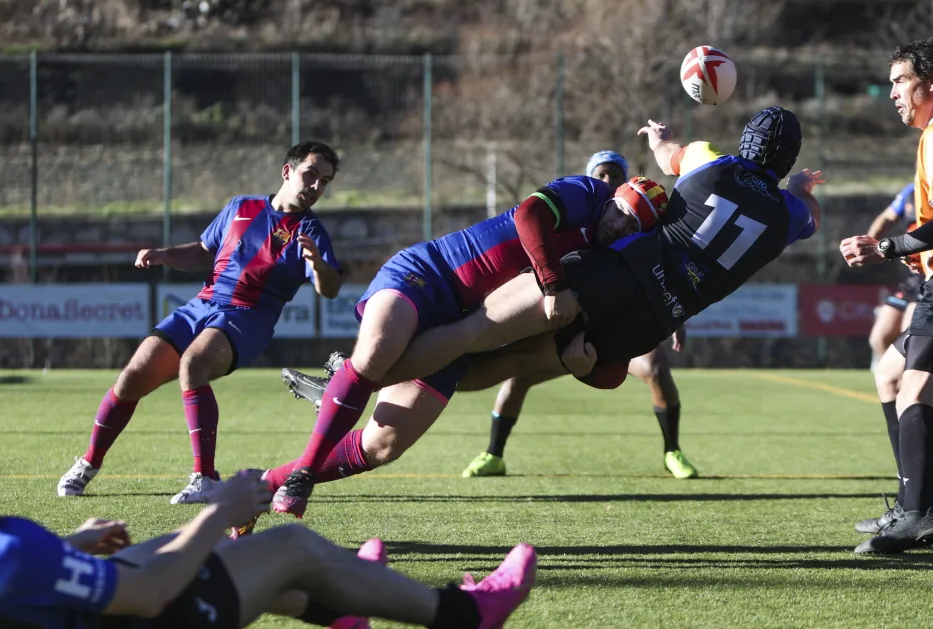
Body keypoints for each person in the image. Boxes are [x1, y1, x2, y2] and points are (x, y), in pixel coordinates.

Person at [266, 107, 820, 520]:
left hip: (610, 281)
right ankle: (350, 388)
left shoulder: (710, 165)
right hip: (651, 317)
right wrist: (797, 188)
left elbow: (671, 158)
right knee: (503, 359)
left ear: (746, 140)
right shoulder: (789, 215)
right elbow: (809, 214)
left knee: (474, 338)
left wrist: (663, 139)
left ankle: (350, 383)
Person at [0, 390, 538, 629]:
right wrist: (220, 509)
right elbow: (146, 595)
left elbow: (0, 578)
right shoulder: (7, 554)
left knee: (188, 548)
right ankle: (467, 617)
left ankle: (344, 607)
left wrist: (71, 547)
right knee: (287, 550)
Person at [270, 172, 670, 518]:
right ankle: (306, 468)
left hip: (464, 330)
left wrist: (581, 364)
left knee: (382, 446)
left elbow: (609, 366)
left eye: (632, 226)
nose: (621, 225)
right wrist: (552, 285)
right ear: (613, 196)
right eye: (622, 212)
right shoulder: (589, 193)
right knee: (376, 355)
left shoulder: (606, 264)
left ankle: (266, 482)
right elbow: (530, 215)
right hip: (431, 274)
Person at [56, 142, 344, 505]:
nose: (316, 187)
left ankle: (204, 477)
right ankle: (89, 463)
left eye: (325, 182)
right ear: (288, 172)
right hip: (202, 304)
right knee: (131, 377)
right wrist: (165, 255)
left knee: (192, 365)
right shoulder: (241, 207)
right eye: (311, 175)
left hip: (248, 316)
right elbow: (205, 251)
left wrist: (317, 265)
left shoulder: (311, 232)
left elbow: (330, 288)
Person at [459, 149, 700, 481]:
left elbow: (659, 275)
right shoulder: (576, 214)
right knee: (517, 375)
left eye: (615, 175)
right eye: (600, 174)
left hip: (611, 328)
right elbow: (533, 228)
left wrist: (677, 320)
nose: (607, 180)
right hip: (569, 323)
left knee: (656, 368)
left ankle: (673, 451)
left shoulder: (638, 229)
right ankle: (493, 454)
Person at [840, 39, 933, 553]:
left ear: (930, 80)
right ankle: (910, 503)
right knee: (889, 373)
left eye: (899, 81)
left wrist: (888, 247)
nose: (892, 92)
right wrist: (921, 250)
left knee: (917, 396)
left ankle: (918, 517)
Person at [865, 183, 933, 423]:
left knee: (911, 332)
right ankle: (906, 389)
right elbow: (887, 217)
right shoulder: (910, 191)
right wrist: (871, 244)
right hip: (911, 277)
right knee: (879, 338)